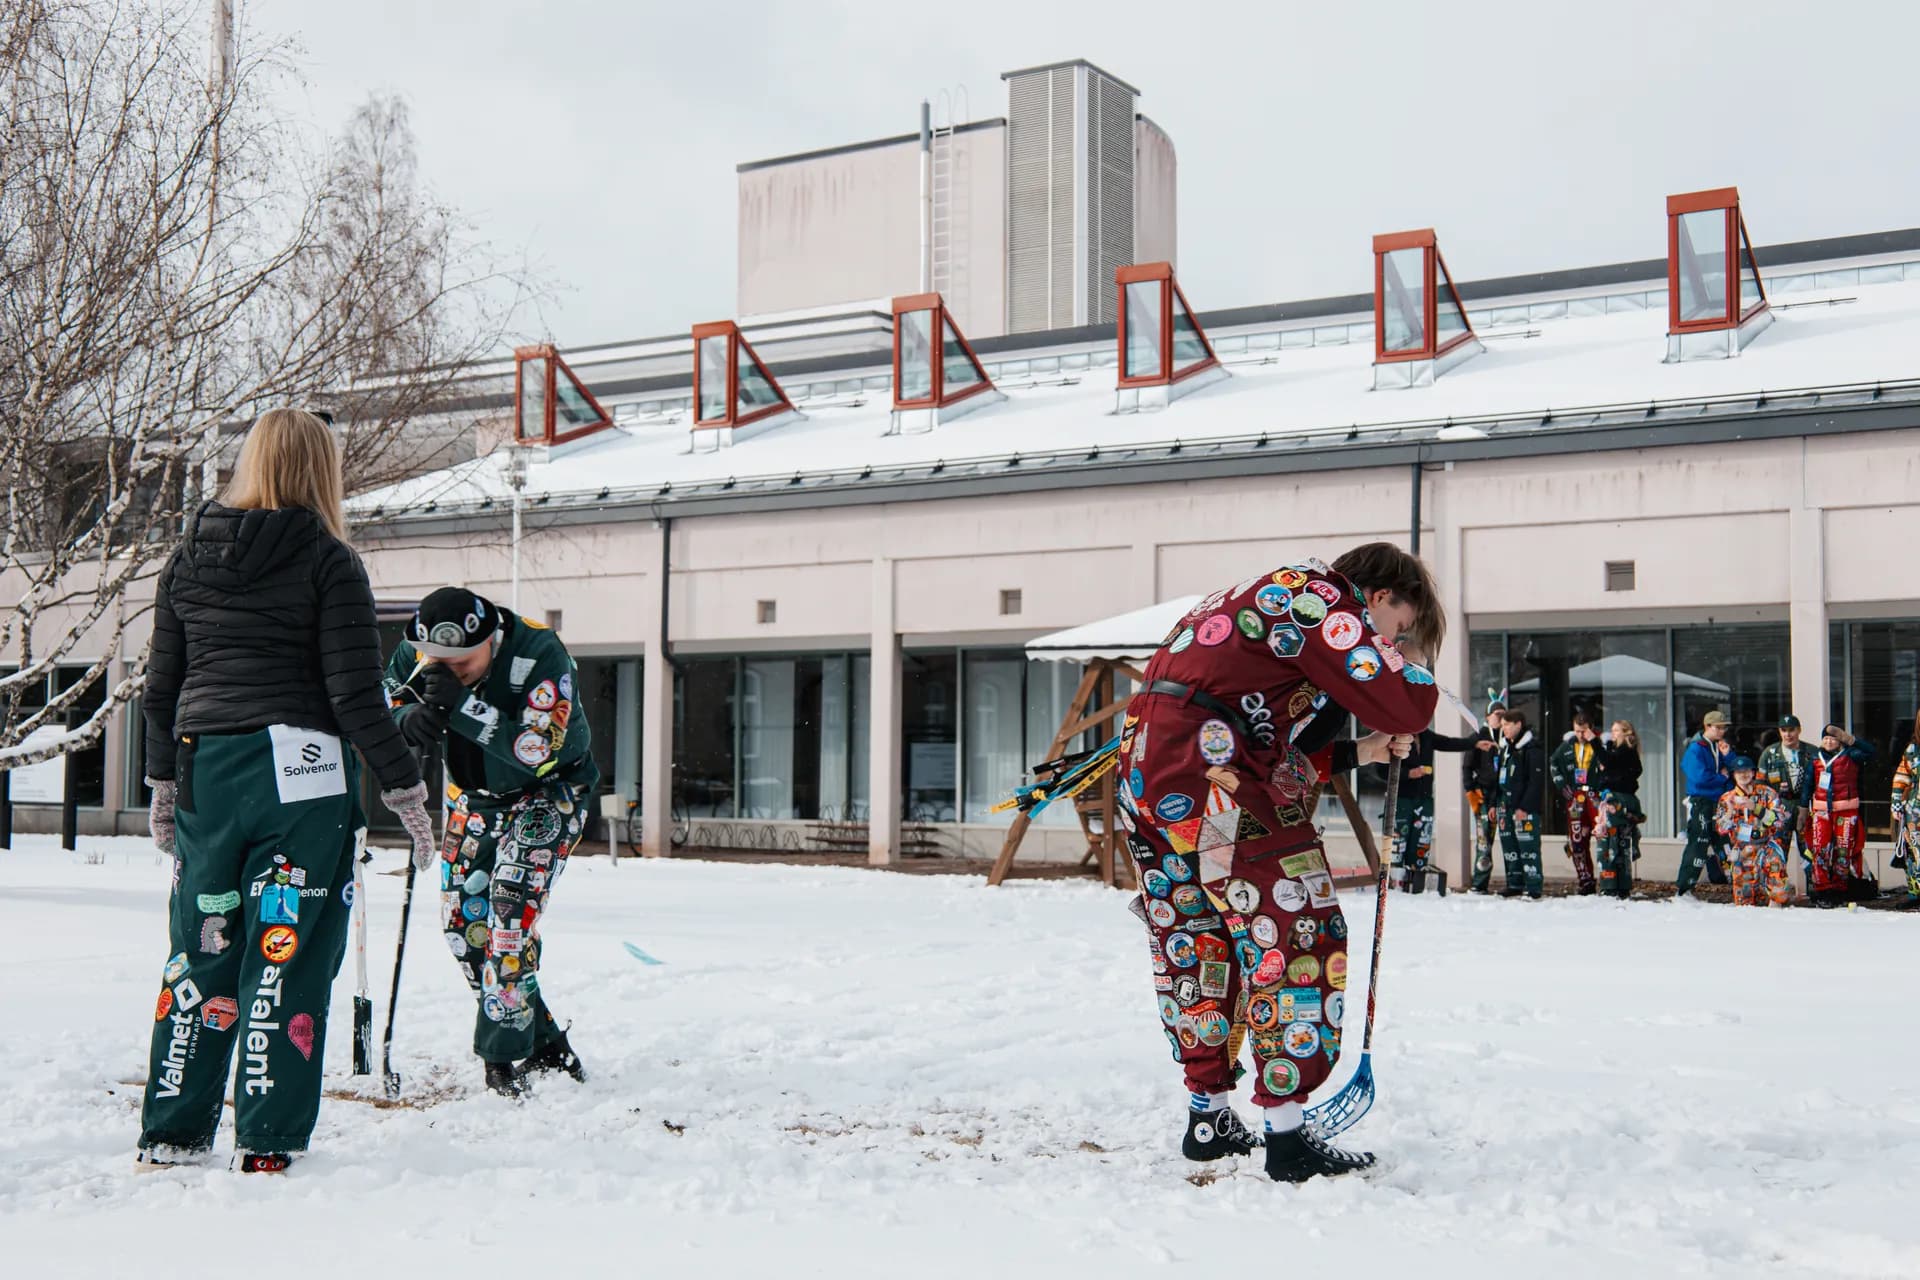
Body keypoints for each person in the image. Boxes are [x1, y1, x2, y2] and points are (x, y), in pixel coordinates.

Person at [136, 409, 437, 1173]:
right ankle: (266, 1141)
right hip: (300, 778)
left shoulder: (185, 560)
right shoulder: (329, 560)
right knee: (286, 955)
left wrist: (164, 781)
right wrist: (406, 791)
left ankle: (171, 1133)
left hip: (209, 767)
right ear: (321, 470)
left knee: (202, 949)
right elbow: (355, 695)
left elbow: (161, 686)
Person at [1120, 543, 1442, 1183]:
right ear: (1379, 597)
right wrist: (1403, 674)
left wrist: (1364, 752)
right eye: (1399, 628)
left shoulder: (1257, 600)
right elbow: (1406, 702)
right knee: (1295, 930)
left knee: (1198, 936)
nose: (1391, 641)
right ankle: (1288, 1136)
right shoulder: (1320, 597)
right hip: (1215, 786)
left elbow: (1259, 737)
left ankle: (1208, 1115)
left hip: (1155, 779)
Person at [386, 588, 599, 1095]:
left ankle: (503, 1058)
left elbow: (536, 750)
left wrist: (461, 707)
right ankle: (544, 1041)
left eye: (461, 661)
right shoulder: (416, 653)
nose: (447, 668)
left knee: (508, 915)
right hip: (474, 798)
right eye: (438, 659)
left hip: (549, 791)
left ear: (492, 639)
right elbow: (384, 695)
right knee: (464, 929)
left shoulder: (541, 653)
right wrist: (403, 719)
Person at [1386, 726, 1488, 894]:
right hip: (1402, 797)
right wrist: (1408, 773)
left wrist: (1474, 743)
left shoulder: (1426, 736)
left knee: (1421, 842)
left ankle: (1416, 883)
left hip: (1424, 798)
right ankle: (1396, 884)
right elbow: (1380, 770)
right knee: (1398, 843)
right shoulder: (1394, 736)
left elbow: (1448, 743)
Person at [1807, 723, 1875, 906]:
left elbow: (1871, 753)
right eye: (1826, 738)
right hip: (1821, 811)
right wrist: (1802, 810)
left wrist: (1851, 740)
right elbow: (1807, 786)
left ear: (1840, 740)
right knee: (1820, 849)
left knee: (1843, 850)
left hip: (1846, 810)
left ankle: (1839, 888)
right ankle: (1822, 888)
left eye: (1833, 738)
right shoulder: (1814, 758)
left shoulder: (1851, 755)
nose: (1829, 741)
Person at [1714, 756, 1789, 908]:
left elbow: (1779, 821)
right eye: (1739, 772)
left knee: (1778, 890)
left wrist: (1755, 807)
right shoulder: (1727, 798)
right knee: (1744, 901)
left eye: (1747, 770)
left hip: (1766, 847)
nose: (1743, 774)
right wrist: (1729, 812)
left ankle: (1777, 916)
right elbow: (1721, 829)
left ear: (1753, 773)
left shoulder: (1768, 793)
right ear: (1733, 775)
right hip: (1742, 850)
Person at [1757, 716, 1818, 895]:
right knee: (1777, 851)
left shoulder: (1811, 752)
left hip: (1805, 806)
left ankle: (1816, 891)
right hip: (1779, 808)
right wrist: (1765, 813)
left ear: (1799, 730)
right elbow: (1761, 786)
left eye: (1791, 730)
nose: (1788, 734)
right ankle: (1777, 892)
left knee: (1809, 850)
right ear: (1779, 732)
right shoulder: (1769, 753)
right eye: (1784, 730)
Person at [1676, 711, 1734, 896]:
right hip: (1702, 801)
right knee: (1698, 843)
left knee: (1724, 841)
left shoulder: (1717, 746)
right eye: (1718, 727)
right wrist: (1721, 778)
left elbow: (1734, 770)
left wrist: (1728, 755)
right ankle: (1685, 887)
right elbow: (1699, 777)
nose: (1722, 731)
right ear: (1707, 726)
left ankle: (1737, 881)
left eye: (1723, 727)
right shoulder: (1696, 748)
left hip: (1718, 801)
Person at [1548, 712, 1604, 895]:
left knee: (1604, 835)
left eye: (1584, 731)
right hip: (1576, 797)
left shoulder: (1600, 745)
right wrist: (1561, 784)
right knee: (1577, 838)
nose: (1580, 735)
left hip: (1595, 796)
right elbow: (1553, 763)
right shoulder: (1566, 746)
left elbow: (1610, 764)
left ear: (1591, 728)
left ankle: (1609, 877)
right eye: (1577, 731)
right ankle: (1585, 879)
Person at [1494, 710, 1544, 898]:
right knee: (1509, 847)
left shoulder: (1532, 748)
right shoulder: (1505, 748)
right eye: (1503, 725)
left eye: (1507, 724)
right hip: (1504, 804)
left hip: (1524, 808)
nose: (1504, 728)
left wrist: (1524, 807)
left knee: (1528, 847)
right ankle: (1514, 883)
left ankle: (1533, 886)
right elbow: (1497, 777)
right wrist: (1493, 803)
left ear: (1519, 725)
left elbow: (1535, 781)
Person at [1594, 719, 1644, 900]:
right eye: (1612, 730)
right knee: (1622, 842)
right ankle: (1621, 883)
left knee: (1610, 842)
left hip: (1617, 800)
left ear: (1626, 732)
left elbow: (1608, 762)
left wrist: (1596, 743)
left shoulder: (1625, 752)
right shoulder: (1621, 752)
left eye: (1616, 731)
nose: (1613, 734)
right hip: (1620, 798)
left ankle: (1611, 884)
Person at [1465, 703, 1504, 893]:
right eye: (1497, 714)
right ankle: (1478, 884)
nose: (1500, 718)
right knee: (1484, 841)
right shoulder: (1479, 736)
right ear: (1488, 716)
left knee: (1495, 838)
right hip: (1482, 796)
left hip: (1501, 796)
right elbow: (1467, 767)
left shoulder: (1507, 739)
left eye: (1504, 715)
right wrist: (1471, 790)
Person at [1889, 709, 1920, 908]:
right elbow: (1902, 776)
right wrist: (1896, 801)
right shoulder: (1913, 749)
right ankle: (1916, 891)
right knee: (1913, 852)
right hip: (1915, 811)